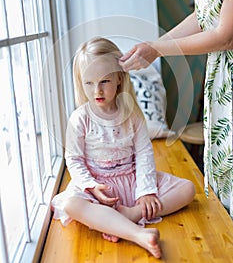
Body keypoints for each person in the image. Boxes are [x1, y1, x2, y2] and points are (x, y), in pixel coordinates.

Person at [119, 0, 233, 218]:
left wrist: (158, 48)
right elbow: (205, 16)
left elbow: (224, 36)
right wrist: (155, 49)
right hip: (223, 85)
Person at [51, 37, 195, 258]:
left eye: (104, 82)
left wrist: (146, 191)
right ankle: (138, 234)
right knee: (71, 204)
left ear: (119, 78)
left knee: (187, 189)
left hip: (132, 179)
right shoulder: (80, 118)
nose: (96, 90)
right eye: (89, 83)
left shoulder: (131, 115)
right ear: (80, 82)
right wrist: (91, 186)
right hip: (100, 186)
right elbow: (74, 159)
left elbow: (144, 153)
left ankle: (130, 214)